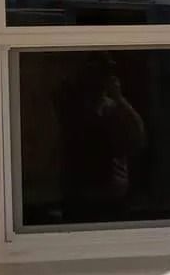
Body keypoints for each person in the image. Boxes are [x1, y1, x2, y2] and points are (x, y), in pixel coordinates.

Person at [58, 52, 147, 223]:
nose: (100, 80)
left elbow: (139, 137)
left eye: (104, 74)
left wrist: (119, 99)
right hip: (82, 199)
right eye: (96, 74)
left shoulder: (116, 109)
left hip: (113, 199)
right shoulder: (74, 110)